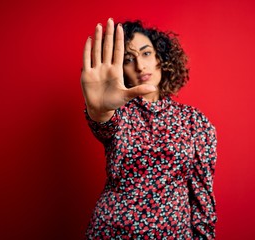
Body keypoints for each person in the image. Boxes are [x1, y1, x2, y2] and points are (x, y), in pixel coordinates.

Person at [81, 18, 217, 239]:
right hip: (111, 232)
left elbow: (202, 198)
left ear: (160, 58)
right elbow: (103, 126)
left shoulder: (195, 122)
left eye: (145, 53)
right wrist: (99, 112)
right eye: (128, 59)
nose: (140, 66)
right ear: (121, 69)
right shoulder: (119, 113)